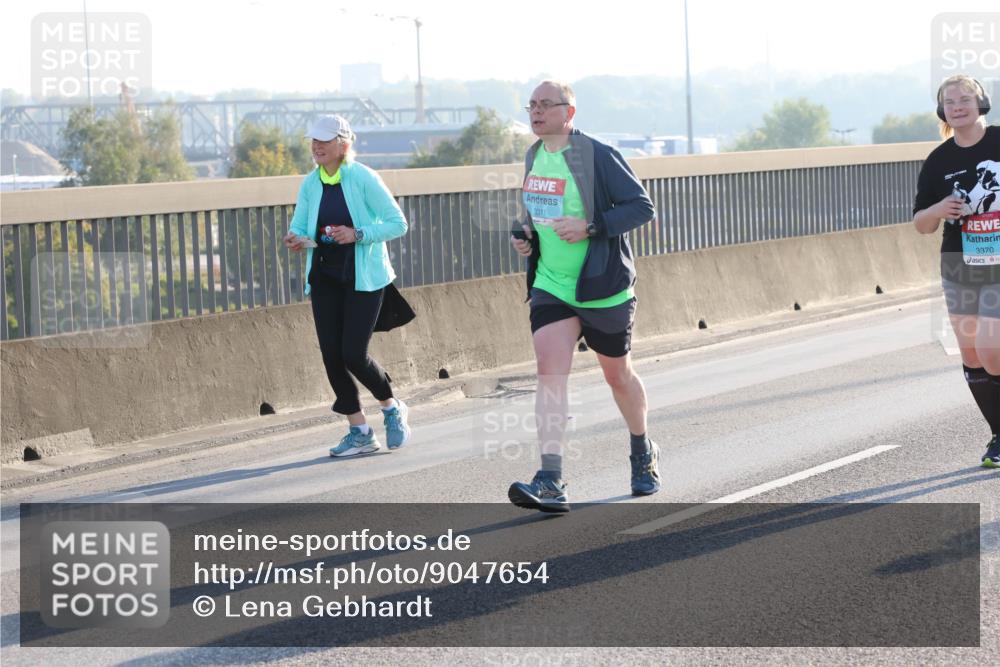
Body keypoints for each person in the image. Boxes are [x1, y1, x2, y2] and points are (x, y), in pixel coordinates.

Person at [507, 80, 660, 512]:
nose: (535, 112)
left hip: (602, 287)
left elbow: (641, 207)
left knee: (618, 377)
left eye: (545, 105)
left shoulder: (597, 155)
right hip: (551, 285)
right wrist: (524, 236)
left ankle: (641, 450)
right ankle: (551, 479)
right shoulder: (534, 155)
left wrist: (591, 228)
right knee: (549, 374)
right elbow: (536, 214)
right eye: (531, 105)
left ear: (568, 113)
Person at [284, 114, 414, 457]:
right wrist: (296, 238)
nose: (317, 147)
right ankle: (359, 431)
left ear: (344, 144)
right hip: (325, 277)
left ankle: (390, 407)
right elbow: (300, 223)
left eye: (324, 141)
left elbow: (397, 223)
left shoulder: (363, 178)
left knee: (353, 354)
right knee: (331, 355)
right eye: (313, 140)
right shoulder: (311, 183)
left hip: (363, 278)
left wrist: (357, 234)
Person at [913, 75, 1000, 468]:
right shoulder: (938, 161)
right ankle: (998, 436)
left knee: (991, 349)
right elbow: (921, 223)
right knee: (971, 353)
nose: (958, 105)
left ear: (982, 103)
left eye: (966, 98)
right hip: (959, 262)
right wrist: (937, 210)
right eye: (950, 101)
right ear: (942, 111)